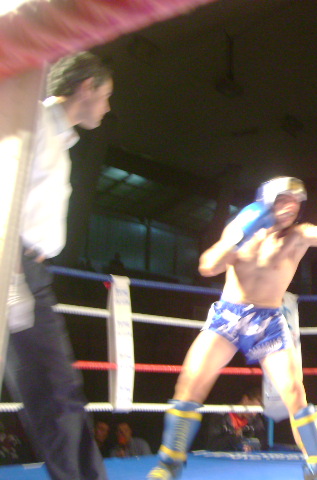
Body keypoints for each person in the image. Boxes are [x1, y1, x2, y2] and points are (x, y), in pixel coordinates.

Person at [146, 176, 317, 480]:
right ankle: (169, 464)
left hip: (268, 322)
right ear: (267, 202)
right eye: (284, 200)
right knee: (190, 382)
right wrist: (235, 239)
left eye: (295, 202)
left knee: (294, 392)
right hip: (228, 316)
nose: (290, 207)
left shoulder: (297, 236)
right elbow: (207, 266)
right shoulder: (241, 229)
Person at [5, 51, 112, 480]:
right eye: (106, 96)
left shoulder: (56, 138)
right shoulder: (31, 122)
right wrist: (12, 274)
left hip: (24, 268)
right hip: (14, 265)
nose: (108, 107)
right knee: (54, 388)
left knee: (53, 389)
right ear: (86, 88)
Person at [199, 388, 267, 452]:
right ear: (245, 399)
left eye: (257, 410)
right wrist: (234, 436)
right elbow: (211, 445)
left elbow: (263, 443)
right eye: (252, 408)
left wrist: (252, 447)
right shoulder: (220, 415)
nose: (253, 413)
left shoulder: (256, 420)